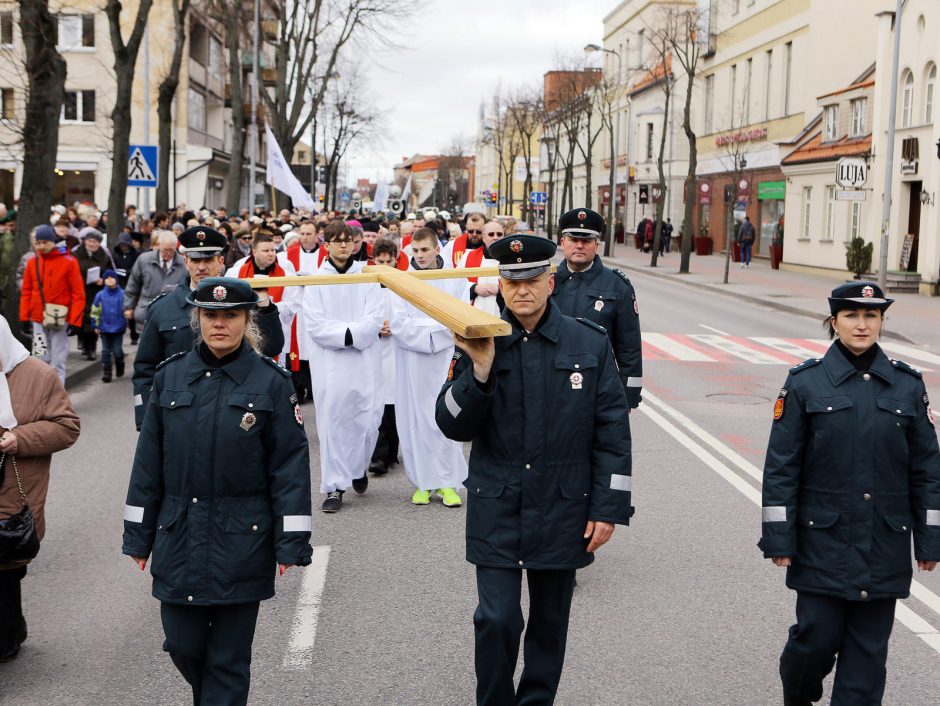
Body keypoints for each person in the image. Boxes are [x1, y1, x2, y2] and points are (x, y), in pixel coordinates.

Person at [435, 234, 633, 705]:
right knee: (496, 618)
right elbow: (450, 423)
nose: (521, 290)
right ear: (500, 286)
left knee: (549, 624)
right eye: (510, 280)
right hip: (498, 501)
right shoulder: (479, 337)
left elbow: (612, 431)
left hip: (563, 505)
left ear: (550, 281)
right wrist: (479, 372)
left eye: (531, 280)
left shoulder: (589, 341)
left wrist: (608, 508)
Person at [122, 277, 312, 706]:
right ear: (198, 319)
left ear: (247, 321)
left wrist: (291, 542)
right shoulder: (171, 377)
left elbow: (290, 469)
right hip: (178, 536)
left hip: (242, 540)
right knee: (184, 644)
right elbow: (147, 464)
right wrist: (138, 534)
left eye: (230, 315)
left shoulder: (271, 383)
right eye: (211, 315)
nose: (219, 323)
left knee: (228, 661)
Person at [759, 281, 940, 706]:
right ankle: (798, 691)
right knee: (814, 641)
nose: (862, 325)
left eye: (871, 316)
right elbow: (781, 466)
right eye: (853, 316)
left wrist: (930, 540)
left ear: (881, 321)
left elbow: (927, 469)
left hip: (884, 542)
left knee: (867, 660)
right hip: (822, 539)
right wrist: (779, 537)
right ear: (834, 322)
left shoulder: (907, 386)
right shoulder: (805, 383)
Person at [131, 227, 284, 430]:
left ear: (221, 262)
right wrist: (145, 418)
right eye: (195, 260)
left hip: (232, 411)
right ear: (186, 262)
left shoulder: (239, 304)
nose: (201, 267)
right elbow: (145, 368)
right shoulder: (163, 309)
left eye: (209, 260)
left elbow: (271, 347)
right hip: (178, 412)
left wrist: (263, 303)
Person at [0, 315, 81, 662]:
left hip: (13, 493)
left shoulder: (39, 375)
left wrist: (19, 438)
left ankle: (9, 631)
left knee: (7, 569)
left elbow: (66, 427)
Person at [305, 220, 384, 512]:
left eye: (346, 240)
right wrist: (349, 334)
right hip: (331, 364)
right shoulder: (316, 280)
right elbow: (315, 324)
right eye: (335, 240)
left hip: (364, 360)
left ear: (355, 244)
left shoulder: (367, 276)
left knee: (367, 419)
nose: (342, 245)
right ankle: (335, 486)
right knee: (334, 423)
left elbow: (375, 316)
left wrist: (354, 333)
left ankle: (358, 467)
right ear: (326, 245)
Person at [392, 228, 469, 506]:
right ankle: (422, 482)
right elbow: (399, 324)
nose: (420, 256)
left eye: (425, 250)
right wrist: (436, 330)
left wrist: (436, 331)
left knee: (447, 418)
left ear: (438, 249)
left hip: (446, 360)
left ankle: (449, 483)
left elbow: (458, 317)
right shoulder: (402, 281)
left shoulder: (454, 278)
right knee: (416, 421)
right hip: (413, 362)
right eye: (415, 251)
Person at [552, 208, 644, 410]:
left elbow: (629, 345)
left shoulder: (617, 285)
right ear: (562, 243)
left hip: (599, 387)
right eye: (573, 239)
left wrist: (629, 397)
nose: (579, 245)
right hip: (551, 384)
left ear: (597, 245)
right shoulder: (546, 282)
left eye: (586, 241)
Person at [18, 225, 85, 384]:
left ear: (52, 241)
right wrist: (24, 317)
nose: (41, 246)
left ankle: (57, 400)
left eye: (44, 243)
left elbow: (78, 294)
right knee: (40, 360)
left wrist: (75, 320)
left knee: (58, 360)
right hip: (37, 319)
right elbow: (27, 291)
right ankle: (44, 398)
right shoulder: (32, 263)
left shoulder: (69, 262)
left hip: (60, 318)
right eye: (37, 243)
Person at [368, 238, 400, 476]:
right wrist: (374, 327)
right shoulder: (365, 285)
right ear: (373, 261)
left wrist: (395, 326)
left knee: (394, 403)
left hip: (397, 349)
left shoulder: (403, 285)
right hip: (374, 349)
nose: (385, 267)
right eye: (380, 262)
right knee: (376, 401)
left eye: (389, 262)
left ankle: (391, 452)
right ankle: (379, 454)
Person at [124, 230, 187, 336]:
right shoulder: (144, 260)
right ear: (158, 246)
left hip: (173, 314)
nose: (168, 254)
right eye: (165, 250)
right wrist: (128, 307)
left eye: (172, 250)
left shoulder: (183, 263)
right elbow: (133, 284)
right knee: (146, 349)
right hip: (147, 312)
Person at [74, 228, 114, 360]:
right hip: (80, 292)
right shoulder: (76, 254)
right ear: (85, 241)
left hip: (97, 293)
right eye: (90, 241)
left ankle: (91, 348)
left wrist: (103, 281)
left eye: (95, 242)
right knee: (81, 321)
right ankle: (84, 344)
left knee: (93, 320)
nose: (92, 244)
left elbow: (110, 273)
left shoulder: (104, 256)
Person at [457, 219, 504, 317]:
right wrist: (474, 288)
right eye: (491, 234)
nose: (496, 237)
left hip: (503, 313)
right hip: (473, 314)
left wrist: (500, 289)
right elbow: (456, 282)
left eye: (499, 234)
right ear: (483, 238)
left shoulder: (511, 258)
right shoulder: (468, 256)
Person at [90, 269, 128, 382]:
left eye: (112, 277)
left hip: (118, 328)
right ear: (103, 280)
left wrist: (126, 320)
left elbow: (126, 308)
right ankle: (107, 372)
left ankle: (120, 364)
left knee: (117, 351)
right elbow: (95, 311)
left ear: (116, 279)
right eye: (107, 278)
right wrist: (95, 325)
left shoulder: (122, 294)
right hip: (104, 328)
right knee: (105, 351)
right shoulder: (100, 295)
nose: (109, 280)